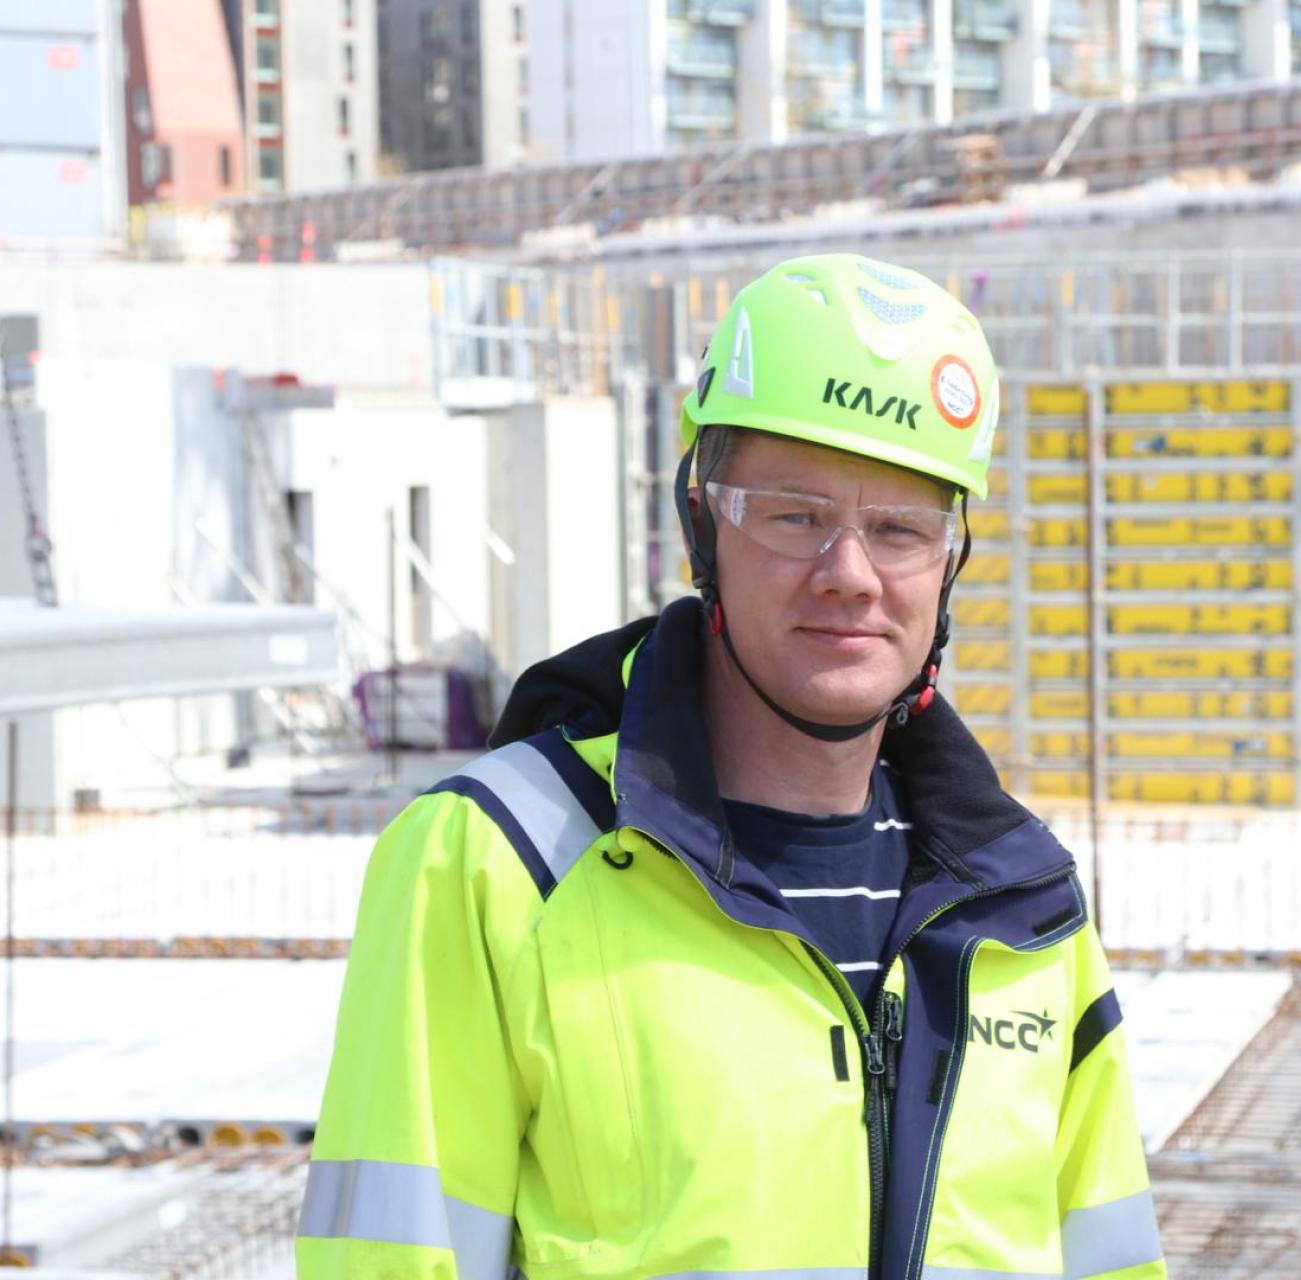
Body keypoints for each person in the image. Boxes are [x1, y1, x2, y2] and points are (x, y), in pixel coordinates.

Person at [296, 253, 1167, 1280]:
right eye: (796, 513)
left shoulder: (1028, 911)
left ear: (949, 563)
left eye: (899, 528)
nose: (849, 574)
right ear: (703, 525)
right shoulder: (498, 866)